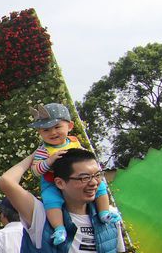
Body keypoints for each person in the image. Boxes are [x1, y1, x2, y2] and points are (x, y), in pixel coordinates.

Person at [28, 103, 118, 245]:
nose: (52, 133)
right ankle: (59, 229)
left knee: (100, 187)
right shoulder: (42, 151)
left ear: (69, 126)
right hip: (51, 182)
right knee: (51, 200)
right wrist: (49, 161)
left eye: (57, 127)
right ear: (40, 132)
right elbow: (35, 170)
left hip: (78, 180)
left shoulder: (75, 142)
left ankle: (104, 213)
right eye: (46, 130)